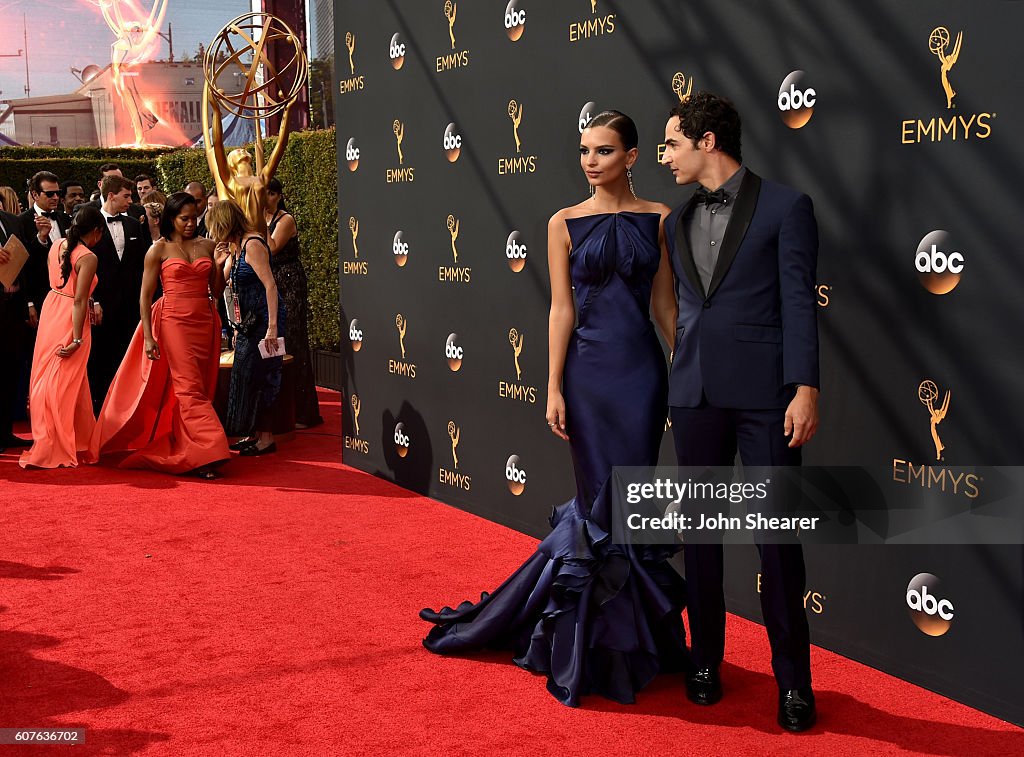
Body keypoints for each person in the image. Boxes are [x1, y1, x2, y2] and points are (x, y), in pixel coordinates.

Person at [420, 111, 687, 707]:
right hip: (588, 376)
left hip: (641, 376)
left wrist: (686, 368)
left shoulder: (661, 220)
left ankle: (632, 644)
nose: (591, 161)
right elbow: (560, 310)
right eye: (585, 151)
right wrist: (552, 385)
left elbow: (666, 305)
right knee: (598, 506)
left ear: (633, 156)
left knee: (632, 501)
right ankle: (589, 645)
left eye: (605, 151)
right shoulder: (562, 223)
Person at [660, 91, 820, 732]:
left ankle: (795, 683)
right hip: (694, 395)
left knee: (778, 545)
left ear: (706, 142)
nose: (665, 156)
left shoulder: (786, 207)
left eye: (672, 143)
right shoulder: (674, 220)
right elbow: (678, 305)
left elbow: (800, 302)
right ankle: (704, 663)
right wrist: (680, 361)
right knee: (700, 540)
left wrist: (805, 387)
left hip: (767, 401)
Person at [91, 192, 231, 479]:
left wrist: (217, 265)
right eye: (184, 219)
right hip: (173, 323)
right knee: (188, 388)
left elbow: (216, 292)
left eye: (194, 218)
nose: (191, 223)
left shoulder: (208, 245)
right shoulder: (158, 250)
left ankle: (190, 447)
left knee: (200, 388)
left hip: (205, 321)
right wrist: (149, 337)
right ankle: (211, 449)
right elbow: (144, 297)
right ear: (171, 219)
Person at [19, 206, 104, 469]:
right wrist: (77, 339)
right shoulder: (88, 257)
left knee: (59, 380)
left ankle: (78, 439)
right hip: (70, 318)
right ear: (96, 231)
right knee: (62, 384)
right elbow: (79, 300)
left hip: (51, 310)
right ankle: (53, 443)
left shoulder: (57, 244)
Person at [207, 200, 285, 456]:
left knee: (265, 376)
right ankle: (253, 433)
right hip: (249, 323)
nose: (213, 234)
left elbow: (271, 286)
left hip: (265, 321)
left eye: (215, 227)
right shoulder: (235, 247)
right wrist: (219, 264)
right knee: (246, 376)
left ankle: (266, 438)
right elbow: (221, 288)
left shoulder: (252, 244)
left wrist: (272, 328)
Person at [87, 175, 149, 414]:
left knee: (129, 357)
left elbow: (142, 265)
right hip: (101, 305)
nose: (130, 201)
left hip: (130, 305)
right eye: (126, 196)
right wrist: (95, 300)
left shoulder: (134, 224)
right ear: (111, 195)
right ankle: (101, 411)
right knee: (101, 358)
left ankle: (128, 409)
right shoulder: (91, 224)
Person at [265, 179, 322, 428]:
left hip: (290, 282)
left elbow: (272, 248)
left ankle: (305, 411)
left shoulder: (285, 219)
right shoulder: (261, 219)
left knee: (294, 341)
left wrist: (256, 221)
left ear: (277, 196)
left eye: (268, 193)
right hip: (271, 283)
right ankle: (282, 407)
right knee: (274, 344)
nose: (263, 198)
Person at [19, 171, 71, 323]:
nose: (55, 197)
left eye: (58, 193)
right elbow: (23, 265)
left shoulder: (64, 218)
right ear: (35, 195)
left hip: (68, 293)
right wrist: (29, 303)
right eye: (49, 194)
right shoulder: (21, 222)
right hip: (40, 295)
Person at [0, 206, 33, 453]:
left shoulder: (12, 220)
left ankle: (5, 432)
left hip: (13, 306)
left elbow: (27, 261)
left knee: (10, 369)